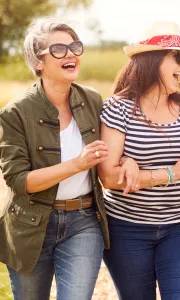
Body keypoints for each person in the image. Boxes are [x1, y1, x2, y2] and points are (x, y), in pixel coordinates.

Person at [0, 17, 132, 300]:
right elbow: (19, 181)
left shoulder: (94, 101)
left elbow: (119, 146)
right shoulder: (15, 113)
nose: (71, 53)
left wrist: (129, 160)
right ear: (38, 63)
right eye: (59, 49)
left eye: (74, 46)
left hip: (83, 221)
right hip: (30, 225)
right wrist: (77, 164)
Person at [98, 21, 180, 300]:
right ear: (152, 60)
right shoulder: (117, 109)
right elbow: (108, 178)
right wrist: (172, 173)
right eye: (177, 57)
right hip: (126, 228)